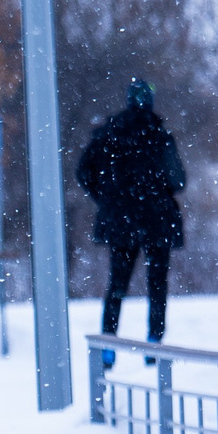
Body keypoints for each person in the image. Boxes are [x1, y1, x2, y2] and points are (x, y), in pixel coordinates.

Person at [77, 79, 186, 351]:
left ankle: (109, 343)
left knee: (117, 283)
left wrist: (107, 197)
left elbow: (83, 172)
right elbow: (178, 180)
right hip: (157, 219)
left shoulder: (107, 134)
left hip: (120, 220)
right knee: (157, 284)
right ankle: (154, 343)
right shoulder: (160, 136)